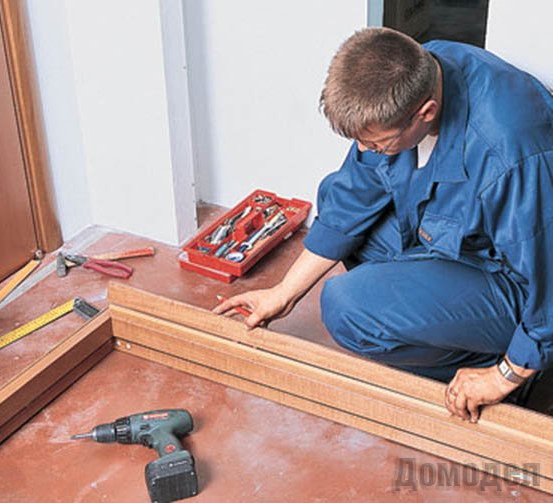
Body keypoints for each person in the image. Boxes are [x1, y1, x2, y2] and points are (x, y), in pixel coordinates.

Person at [214, 28, 553, 423]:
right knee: (348, 217)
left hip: (522, 282)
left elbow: (548, 285)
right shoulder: (412, 70)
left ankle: (508, 369)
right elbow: (352, 198)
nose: (365, 151)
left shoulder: (513, 154)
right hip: (467, 239)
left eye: (378, 144)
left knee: (347, 308)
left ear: (426, 112)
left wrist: (503, 375)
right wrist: (283, 293)